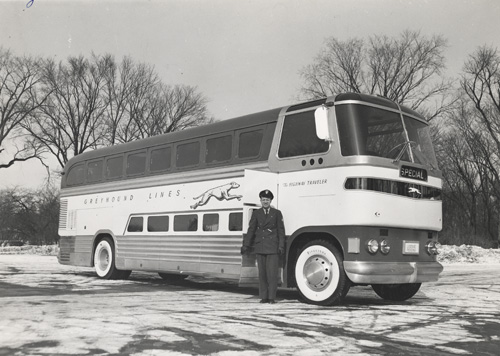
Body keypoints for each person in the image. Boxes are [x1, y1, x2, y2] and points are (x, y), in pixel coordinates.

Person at [241, 189, 285, 304]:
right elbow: (251, 230)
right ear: (260, 200)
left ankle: (271, 298)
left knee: (272, 274)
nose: (265, 202)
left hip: (272, 247)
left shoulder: (277, 213)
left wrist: (281, 246)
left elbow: (281, 231)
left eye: (267, 200)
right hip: (260, 246)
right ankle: (263, 297)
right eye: (263, 200)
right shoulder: (256, 213)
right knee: (262, 274)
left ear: (271, 201)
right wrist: (246, 244)